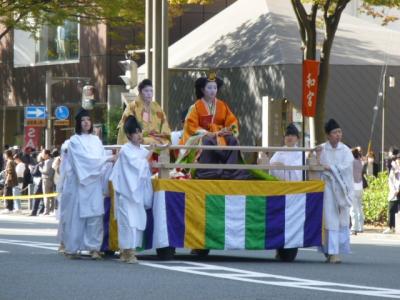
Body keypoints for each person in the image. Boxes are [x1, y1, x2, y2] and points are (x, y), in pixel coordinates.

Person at [62, 108, 115, 259]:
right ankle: (72, 248)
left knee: (96, 215)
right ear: (78, 123)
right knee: (78, 216)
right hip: (80, 183)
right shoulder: (74, 140)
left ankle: (94, 248)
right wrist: (106, 159)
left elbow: (100, 159)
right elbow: (83, 161)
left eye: (88, 120)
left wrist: (107, 160)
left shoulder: (96, 140)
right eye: (83, 120)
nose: (86, 123)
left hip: (94, 183)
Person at [178, 73, 251, 180]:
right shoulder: (195, 107)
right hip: (203, 136)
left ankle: (230, 171)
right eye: (209, 88)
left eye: (215, 88)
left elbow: (232, 121)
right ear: (203, 90)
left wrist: (229, 131)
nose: (213, 90)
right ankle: (206, 170)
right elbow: (191, 126)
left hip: (221, 135)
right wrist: (210, 133)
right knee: (208, 141)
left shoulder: (222, 105)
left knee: (232, 140)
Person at [110, 116, 153, 264]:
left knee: (137, 221)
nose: (139, 135)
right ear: (128, 135)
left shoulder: (142, 150)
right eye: (135, 132)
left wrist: (148, 155)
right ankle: (127, 251)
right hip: (127, 193)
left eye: (140, 131)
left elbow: (144, 169)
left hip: (137, 193)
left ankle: (130, 250)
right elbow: (138, 167)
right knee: (127, 222)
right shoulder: (125, 150)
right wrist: (150, 155)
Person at [316, 119, 353, 264]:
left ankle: (335, 251)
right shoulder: (322, 148)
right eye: (334, 132)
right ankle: (331, 252)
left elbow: (346, 167)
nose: (338, 135)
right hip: (327, 188)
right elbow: (315, 164)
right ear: (328, 135)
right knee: (329, 218)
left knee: (341, 220)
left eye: (339, 132)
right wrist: (318, 157)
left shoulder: (345, 150)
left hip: (342, 188)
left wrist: (329, 167)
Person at [117, 79, 171, 146]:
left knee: (164, 143)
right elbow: (125, 125)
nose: (149, 93)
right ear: (140, 92)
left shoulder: (156, 106)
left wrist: (164, 135)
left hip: (156, 139)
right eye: (146, 91)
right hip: (138, 139)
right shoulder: (132, 107)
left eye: (151, 91)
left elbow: (164, 123)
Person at [383, 155, 400, 234]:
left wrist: (397, 189)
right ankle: (392, 227)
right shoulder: (394, 169)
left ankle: (393, 227)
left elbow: (397, 180)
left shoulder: (396, 168)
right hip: (394, 192)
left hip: (396, 192)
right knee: (392, 210)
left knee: (394, 210)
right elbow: (392, 181)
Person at [350, 148, 364, 235]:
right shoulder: (360, 163)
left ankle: (354, 228)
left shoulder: (352, 162)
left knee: (353, 209)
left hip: (353, 187)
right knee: (359, 208)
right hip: (360, 187)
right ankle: (360, 227)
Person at [39, 149, 55, 215]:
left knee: (46, 195)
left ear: (47, 154)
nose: (42, 155)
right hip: (52, 179)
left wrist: (40, 168)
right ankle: (52, 209)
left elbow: (45, 171)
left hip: (46, 179)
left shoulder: (47, 162)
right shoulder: (53, 160)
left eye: (43, 153)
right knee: (52, 196)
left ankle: (46, 210)